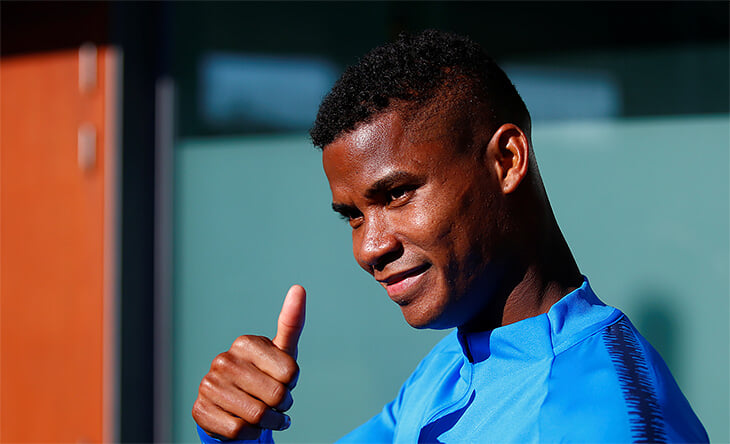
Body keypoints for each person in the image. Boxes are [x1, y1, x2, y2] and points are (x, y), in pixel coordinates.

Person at [192, 30, 708, 443]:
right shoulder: (447, 367)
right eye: (352, 215)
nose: (369, 248)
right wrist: (236, 429)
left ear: (506, 161)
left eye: (397, 194)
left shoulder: (604, 421)